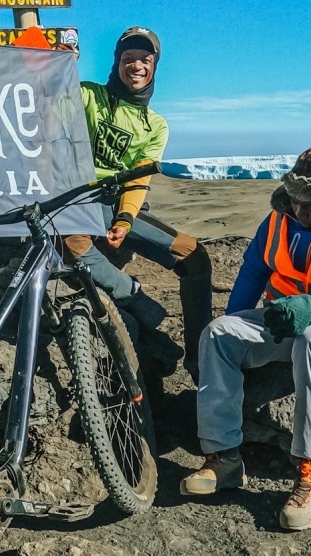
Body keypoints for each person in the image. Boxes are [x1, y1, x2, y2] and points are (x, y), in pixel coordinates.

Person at [180, 144, 311, 530]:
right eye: (296, 202)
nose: (300, 212)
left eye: (310, 205)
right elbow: (253, 273)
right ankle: (225, 458)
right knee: (217, 334)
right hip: (281, 320)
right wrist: (238, 333)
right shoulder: (279, 218)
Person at [63, 26, 214, 377]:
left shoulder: (156, 125)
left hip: (117, 204)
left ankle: (201, 359)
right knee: (71, 239)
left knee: (194, 256)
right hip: (75, 201)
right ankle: (135, 298)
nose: (136, 66)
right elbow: (50, 103)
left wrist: (125, 220)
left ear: (154, 66)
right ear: (116, 63)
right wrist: (62, 69)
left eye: (145, 60)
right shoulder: (87, 96)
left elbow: (138, 179)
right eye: (128, 59)